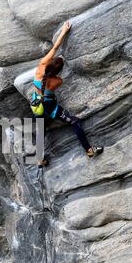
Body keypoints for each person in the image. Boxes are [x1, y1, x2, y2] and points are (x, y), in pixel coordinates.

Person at [30, 21, 103, 166]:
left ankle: (40, 160)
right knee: (75, 122)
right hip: (51, 107)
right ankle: (89, 150)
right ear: (57, 71)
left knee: (41, 130)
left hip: (36, 104)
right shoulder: (57, 81)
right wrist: (64, 32)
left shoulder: (41, 66)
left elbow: (55, 48)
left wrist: (63, 32)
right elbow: (57, 51)